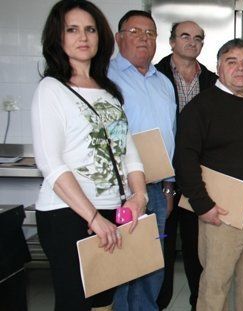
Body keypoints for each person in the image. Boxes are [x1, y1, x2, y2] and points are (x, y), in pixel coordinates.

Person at [31, 1, 148, 309]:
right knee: (76, 302)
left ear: (100, 37)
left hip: (111, 210)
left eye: (90, 29)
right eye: (72, 29)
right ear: (58, 37)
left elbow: (128, 150)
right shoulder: (51, 89)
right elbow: (50, 163)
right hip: (68, 213)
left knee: (103, 302)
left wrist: (139, 196)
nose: (83, 37)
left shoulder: (108, 90)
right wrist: (94, 218)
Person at [175, 38, 243, 311]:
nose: (240, 69)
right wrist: (203, 205)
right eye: (231, 62)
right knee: (215, 288)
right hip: (221, 215)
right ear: (218, 67)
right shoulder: (200, 108)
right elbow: (184, 159)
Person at [108, 10, 176, 310]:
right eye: (135, 31)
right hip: (119, 190)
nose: (143, 38)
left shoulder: (163, 82)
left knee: (152, 264)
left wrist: (169, 187)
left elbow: (171, 135)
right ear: (118, 37)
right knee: (122, 267)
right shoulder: (104, 77)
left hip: (157, 189)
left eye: (150, 33)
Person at [154, 20, 217, 310]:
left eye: (198, 38)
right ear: (172, 41)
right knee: (160, 247)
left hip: (197, 177)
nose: (192, 42)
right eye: (185, 36)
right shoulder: (154, 76)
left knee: (196, 249)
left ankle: (197, 303)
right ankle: (159, 303)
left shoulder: (212, 81)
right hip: (160, 176)